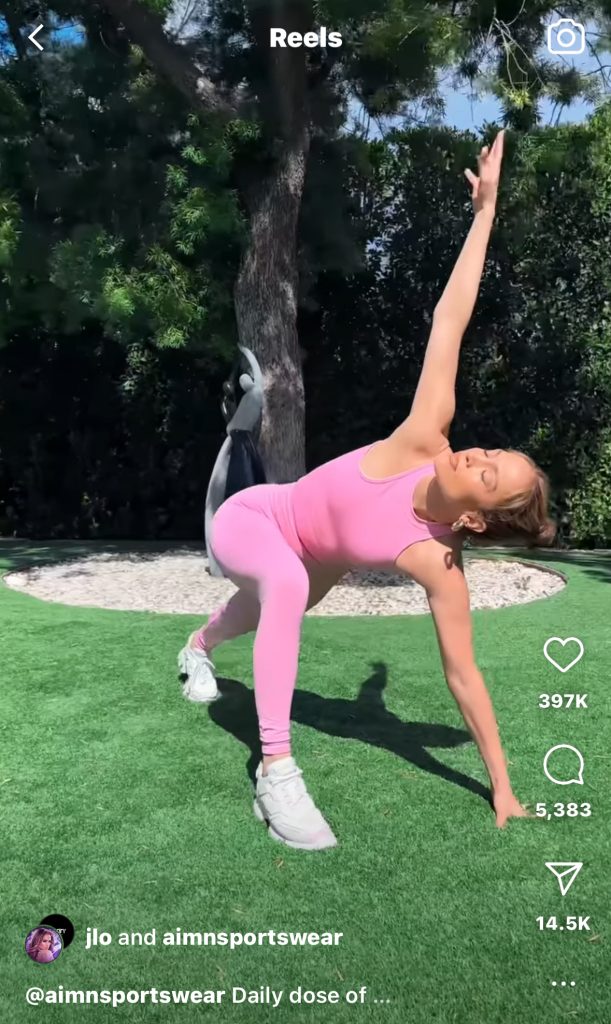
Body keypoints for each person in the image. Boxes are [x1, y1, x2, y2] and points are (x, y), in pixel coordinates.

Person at [179, 131, 554, 851]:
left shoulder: (437, 563)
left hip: (302, 566)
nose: (473, 451)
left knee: (261, 605)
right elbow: (451, 319)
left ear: (474, 520)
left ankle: (196, 647)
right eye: (488, 451)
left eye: (485, 470)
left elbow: (463, 676)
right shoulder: (425, 436)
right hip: (253, 516)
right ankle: (277, 772)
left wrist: (501, 785)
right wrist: (483, 215)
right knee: (282, 583)